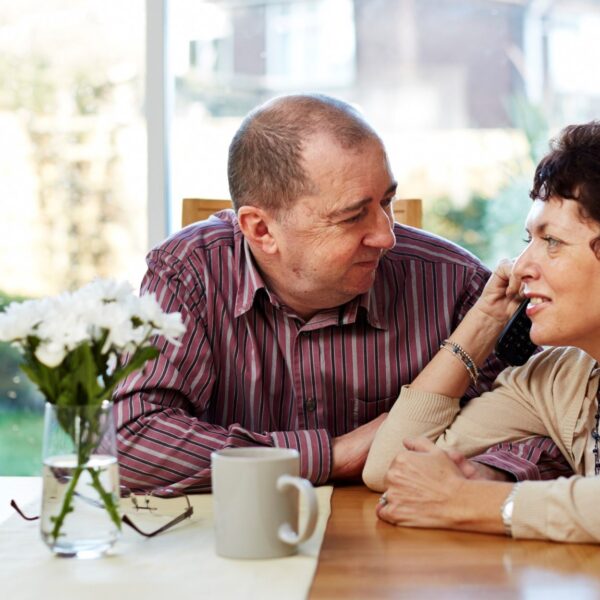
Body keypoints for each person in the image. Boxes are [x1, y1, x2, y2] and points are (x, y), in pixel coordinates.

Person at [114, 93, 567, 492]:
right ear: (260, 229)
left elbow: (550, 424)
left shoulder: (454, 283)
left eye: (386, 202)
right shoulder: (189, 273)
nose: (386, 236)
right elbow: (132, 441)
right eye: (353, 217)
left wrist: (489, 476)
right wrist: (331, 455)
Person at [363, 121, 600, 543]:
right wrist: (486, 318)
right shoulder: (563, 378)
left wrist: (470, 502)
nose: (521, 265)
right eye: (529, 238)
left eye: (553, 242)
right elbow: (390, 464)